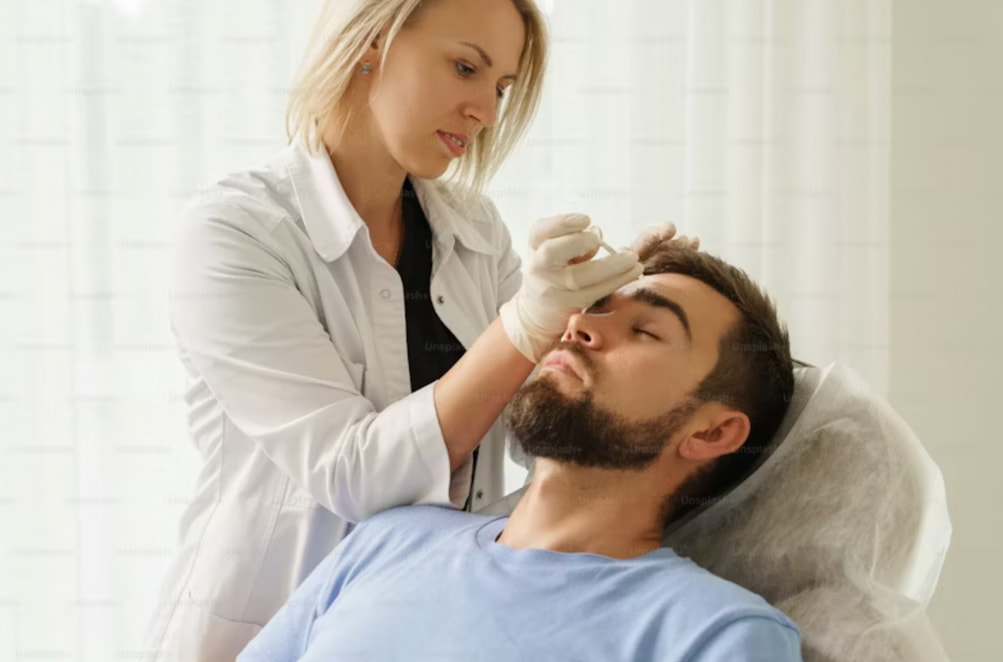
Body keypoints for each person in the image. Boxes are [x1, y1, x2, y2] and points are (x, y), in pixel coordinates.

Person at [141, 0, 657, 659]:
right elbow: (352, 474)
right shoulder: (234, 234)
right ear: (369, 42)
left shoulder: (474, 229)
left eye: (501, 87)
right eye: (465, 67)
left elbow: (535, 430)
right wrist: (525, 324)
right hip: (268, 631)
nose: (487, 112)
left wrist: (616, 312)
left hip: (430, 626)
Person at [236, 239, 801, 662]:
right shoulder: (390, 540)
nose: (577, 324)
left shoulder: (715, 634)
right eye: (592, 306)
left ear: (710, 433)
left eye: (645, 331)